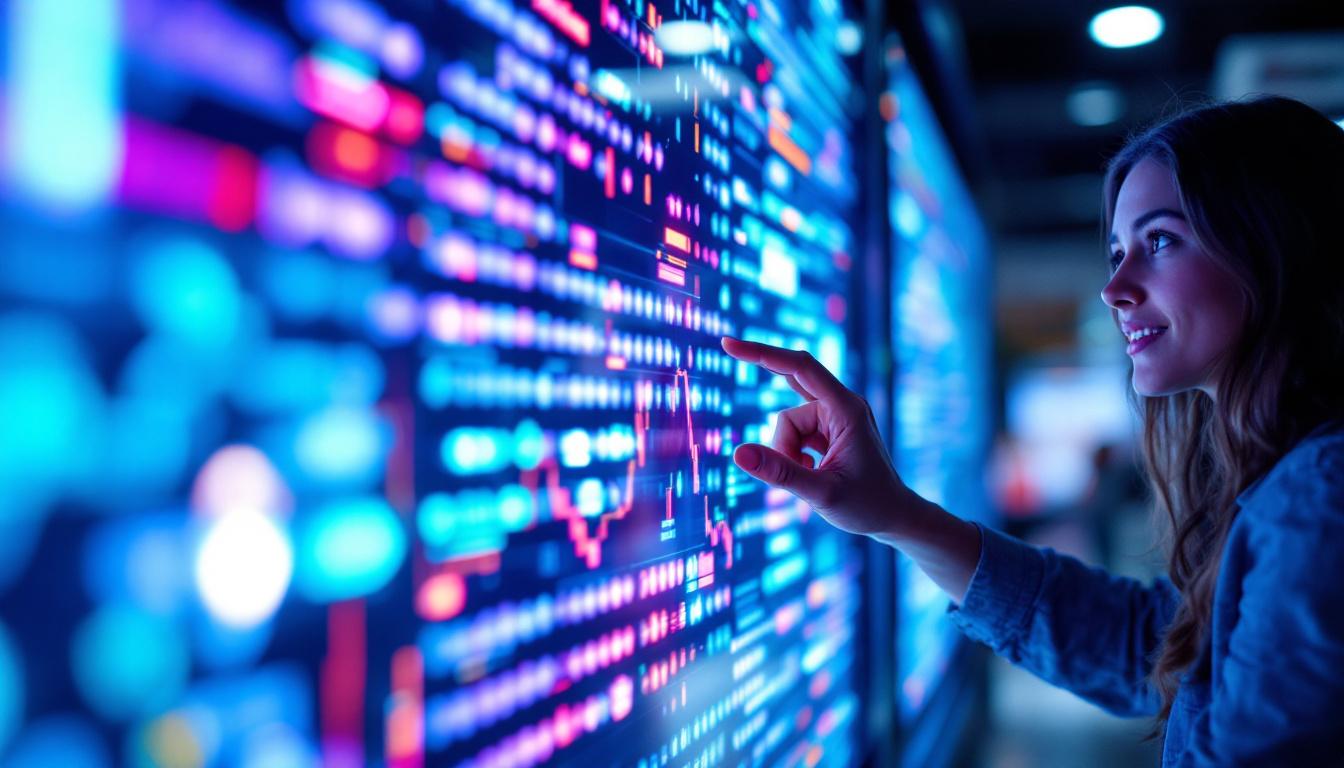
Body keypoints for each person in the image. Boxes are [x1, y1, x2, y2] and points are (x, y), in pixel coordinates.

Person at [721, 95, 1344, 766]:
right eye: (1116, 252)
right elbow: (1165, 647)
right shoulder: (1291, 483)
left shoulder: (1316, 498)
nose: (1116, 288)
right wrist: (892, 513)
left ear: (1277, 244)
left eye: (1160, 241)